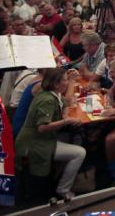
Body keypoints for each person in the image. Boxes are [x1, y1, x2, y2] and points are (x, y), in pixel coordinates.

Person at [14, 68, 85, 200]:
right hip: (33, 143)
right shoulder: (47, 99)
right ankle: (63, 189)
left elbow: (65, 103)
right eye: (65, 80)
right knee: (80, 152)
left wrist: (65, 113)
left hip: (41, 138)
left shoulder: (53, 94)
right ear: (57, 84)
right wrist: (67, 120)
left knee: (72, 139)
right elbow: (42, 127)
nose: (68, 82)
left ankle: (56, 180)